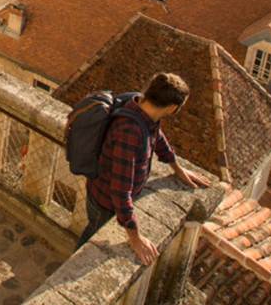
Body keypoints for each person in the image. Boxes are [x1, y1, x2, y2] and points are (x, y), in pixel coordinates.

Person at [80, 72, 209, 264]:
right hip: (105, 202)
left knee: (91, 233)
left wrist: (177, 167)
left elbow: (157, 137)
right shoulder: (129, 132)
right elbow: (120, 190)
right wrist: (135, 238)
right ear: (173, 108)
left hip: (103, 190)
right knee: (90, 241)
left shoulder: (140, 107)